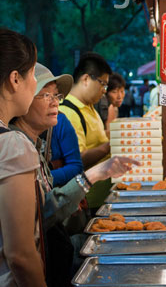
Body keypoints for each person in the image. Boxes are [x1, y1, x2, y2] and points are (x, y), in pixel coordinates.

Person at [11, 63, 139, 286]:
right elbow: (40, 218)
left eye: (56, 95)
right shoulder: (14, 147)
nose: (55, 102)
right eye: (45, 95)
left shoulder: (35, 145)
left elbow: (44, 208)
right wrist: (93, 174)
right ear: (22, 98)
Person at [0, 29, 46, 287]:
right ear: (15, 79)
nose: (34, 85)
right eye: (33, 75)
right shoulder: (12, 145)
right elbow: (20, 255)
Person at [59, 52, 112, 211]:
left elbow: (97, 141)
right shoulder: (68, 113)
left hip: (101, 197)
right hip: (88, 201)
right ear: (86, 79)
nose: (104, 90)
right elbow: (78, 160)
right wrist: (109, 146)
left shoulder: (90, 108)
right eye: (103, 84)